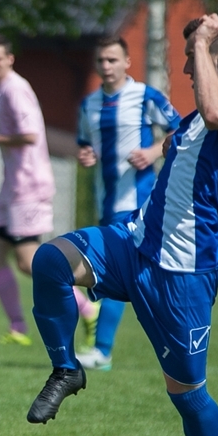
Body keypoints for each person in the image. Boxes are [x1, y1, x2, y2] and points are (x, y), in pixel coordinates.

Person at [24, 14, 218, 436]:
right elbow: (185, 141)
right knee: (49, 260)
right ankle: (67, 367)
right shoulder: (194, 118)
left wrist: (205, 41)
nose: (186, 68)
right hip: (134, 241)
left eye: (195, 59)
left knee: (186, 395)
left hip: (183, 272)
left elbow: (215, 111)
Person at [0, 34, 94, 345]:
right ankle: (18, 328)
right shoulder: (0, 90)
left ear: (11, 59)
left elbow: (29, 136)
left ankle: (86, 307)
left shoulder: (15, 89)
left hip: (29, 183)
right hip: (11, 185)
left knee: (29, 262)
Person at [74, 35, 181, 371]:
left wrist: (152, 152)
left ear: (127, 62)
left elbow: (181, 132)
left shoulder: (145, 96)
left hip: (138, 202)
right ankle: (175, 341)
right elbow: (84, 144)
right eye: (101, 61)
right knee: (142, 278)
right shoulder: (88, 104)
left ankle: (102, 350)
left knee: (111, 272)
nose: (106, 66)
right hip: (106, 202)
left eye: (113, 60)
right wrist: (86, 155)